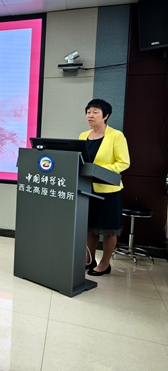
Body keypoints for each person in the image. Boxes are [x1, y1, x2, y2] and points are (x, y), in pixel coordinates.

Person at [79, 99, 130, 276]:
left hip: (109, 190)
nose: (90, 115)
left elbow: (123, 162)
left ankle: (105, 264)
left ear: (106, 115)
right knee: (90, 227)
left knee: (109, 229)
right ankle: (89, 259)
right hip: (87, 188)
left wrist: (99, 170)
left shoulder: (116, 136)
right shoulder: (83, 135)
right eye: (88, 112)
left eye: (95, 112)